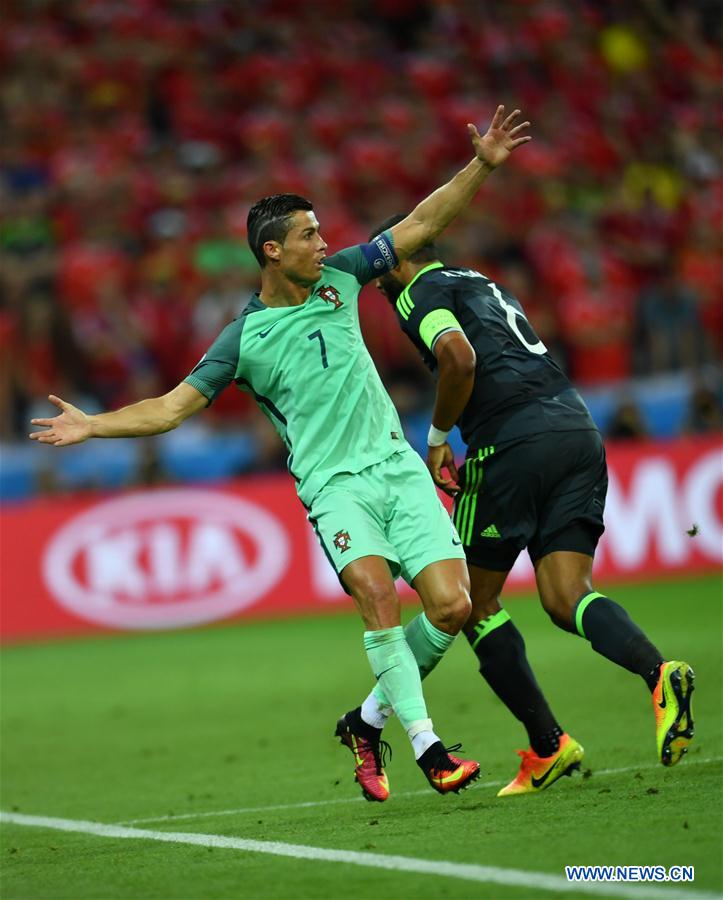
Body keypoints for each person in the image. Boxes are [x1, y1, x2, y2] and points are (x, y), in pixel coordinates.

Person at [29, 105, 533, 803]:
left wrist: (480, 165)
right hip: (333, 487)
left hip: (395, 467)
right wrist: (95, 426)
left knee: (453, 609)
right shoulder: (243, 338)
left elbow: (420, 224)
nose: (324, 241)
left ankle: (365, 723)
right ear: (272, 251)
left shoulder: (345, 278)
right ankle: (426, 747)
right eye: (308, 234)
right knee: (378, 596)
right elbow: (172, 407)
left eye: (321, 229)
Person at [367, 215, 695, 796]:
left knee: (467, 600)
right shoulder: (483, 282)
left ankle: (549, 745)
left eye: (378, 263)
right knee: (567, 596)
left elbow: (459, 358)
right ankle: (659, 674)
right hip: (576, 429)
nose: (373, 276)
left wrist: (440, 436)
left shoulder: (419, 293)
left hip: (512, 445)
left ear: (399, 258)